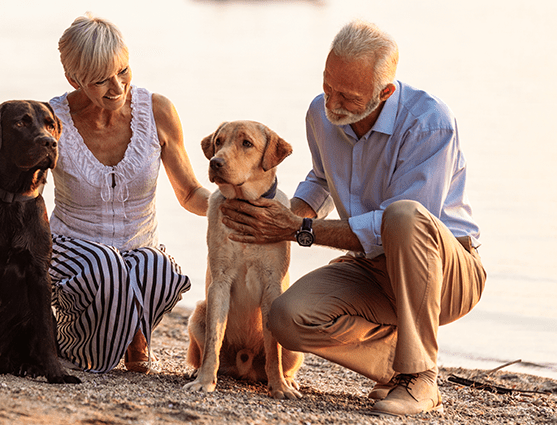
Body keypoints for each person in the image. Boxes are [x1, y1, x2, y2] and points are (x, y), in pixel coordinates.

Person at [219, 20, 486, 416]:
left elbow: (402, 228)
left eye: (347, 95)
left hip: (447, 274)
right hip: (372, 268)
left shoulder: (430, 123)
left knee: (404, 216)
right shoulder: (320, 113)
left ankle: (421, 376)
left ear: (386, 92)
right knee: (285, 318)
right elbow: (322, 179)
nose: (333, 102)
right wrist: (281, 217)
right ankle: (399, 363)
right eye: (328, 86)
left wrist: (299, 230)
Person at [47, 13, 210, 374]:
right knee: (107, 267)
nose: (117, 87)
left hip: (137, 250)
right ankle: (75, 343)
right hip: (71, 249)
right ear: (74, 80)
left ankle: (129, 332)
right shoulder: (52, 120)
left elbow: (190, 193)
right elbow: (26, 191)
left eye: (123, 71)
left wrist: (232, 203)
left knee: (158, 269)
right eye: (100, 81)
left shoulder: (157, 110)